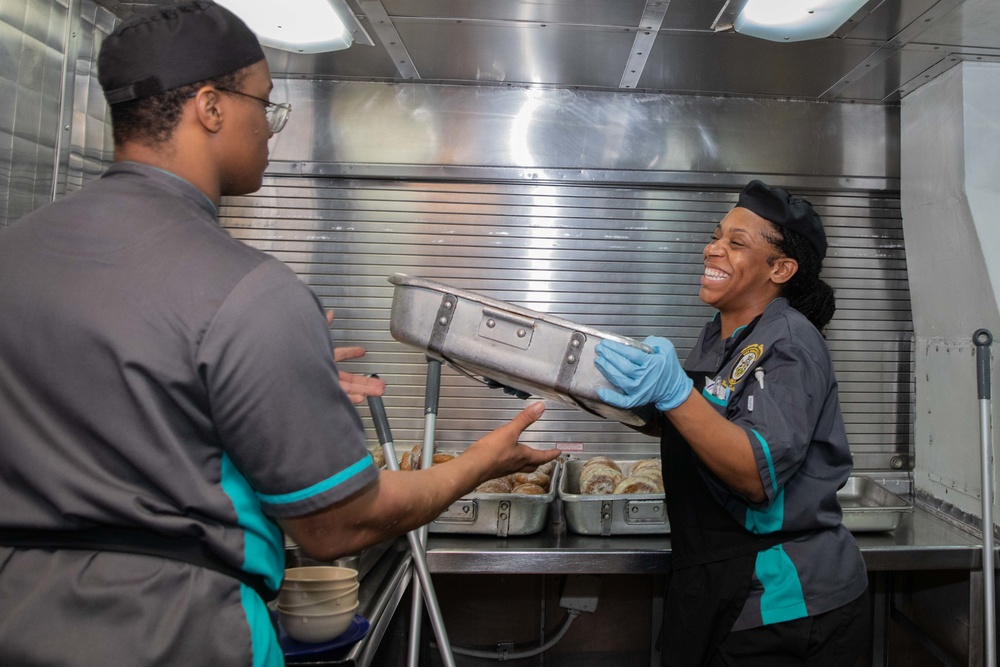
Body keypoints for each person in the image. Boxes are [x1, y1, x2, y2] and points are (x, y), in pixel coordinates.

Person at [0, 3, 558, 665]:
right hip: (177, 632)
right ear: (210, 106)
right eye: (265, 104)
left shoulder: (15, 253)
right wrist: (483, 461)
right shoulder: (251, 291)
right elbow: (337, 525)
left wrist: (272, 381)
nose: (269, 129)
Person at [595, 180, 869, 666]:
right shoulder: (721, 335)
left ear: (781, 268)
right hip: (715, 577)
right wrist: (581, 389)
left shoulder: (788, 344)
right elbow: (697, 427)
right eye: (717, 235)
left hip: (779, 599)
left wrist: (676, 393)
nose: (713, 249)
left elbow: (752, 472)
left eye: (736, 243)